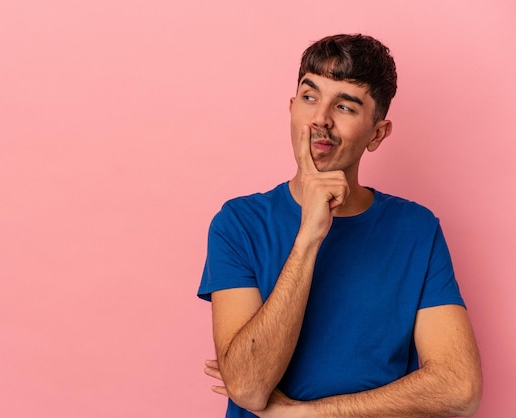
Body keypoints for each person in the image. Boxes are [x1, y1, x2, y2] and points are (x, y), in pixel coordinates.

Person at [197, 34, 482, 417]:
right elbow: (248, 387)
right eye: (310, 97)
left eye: (345, 106)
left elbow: (459, 388)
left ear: (377, 133)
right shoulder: (238, 224)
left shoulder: (417, 230)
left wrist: (306, 414)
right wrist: (308, 238)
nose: (320, 119)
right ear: (292, 107)